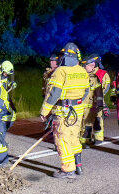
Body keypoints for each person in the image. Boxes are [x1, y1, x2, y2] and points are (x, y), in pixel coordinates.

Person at [40, 42, 90, 178]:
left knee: (62, 138)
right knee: (74, 137)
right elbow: (87, 91)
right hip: (78, 111)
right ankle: (78, 165)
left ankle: (68, 170)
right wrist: (76, 102)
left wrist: (44, 111)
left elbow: (54, 94)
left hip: (64, 112)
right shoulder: (82, 71)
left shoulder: (60, 71)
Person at [80, 54, 111, 147]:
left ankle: (96, 139)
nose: (92, 67)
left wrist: (101, 103)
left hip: (94, 103)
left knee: (95, 121)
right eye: (90, 65)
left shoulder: (100, 75)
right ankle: (84, 140)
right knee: (84, 123)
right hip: (83, 104)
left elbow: (102, 90)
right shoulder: (83, 75)